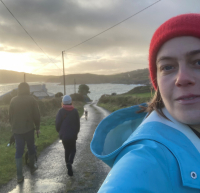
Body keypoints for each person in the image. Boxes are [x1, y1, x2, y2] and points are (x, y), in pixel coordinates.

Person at [90, 13, 200, 192]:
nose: (182, 79)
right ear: (156, 82)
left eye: (198, 62)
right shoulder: (142, 161)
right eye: (168, 67)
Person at [9, 82, 40, 183]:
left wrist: (13, 128)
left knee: (19, 151)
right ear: (27, 89)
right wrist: (37, 127)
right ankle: (32, 168)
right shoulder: (31, 99)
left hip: (17, 130)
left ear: (19, 89)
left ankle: (19, 176)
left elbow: (10, 117)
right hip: (29, 129)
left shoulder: (13, 100)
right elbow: (36, 114)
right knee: (31, 148)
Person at [56, 95, 80, 176]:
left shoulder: (60, 111)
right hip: (72, 135)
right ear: (71, 102)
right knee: (73, 149)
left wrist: (59, 132)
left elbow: (57, 123)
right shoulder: (75, 111)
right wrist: (76, 132)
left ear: (63, 102)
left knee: (67, 150)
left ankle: (68, 165)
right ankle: (70, 162)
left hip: (64, 135)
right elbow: (78, 124)